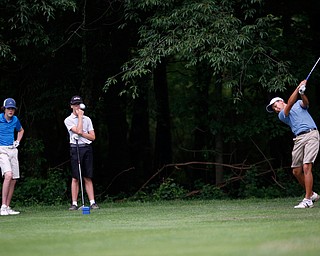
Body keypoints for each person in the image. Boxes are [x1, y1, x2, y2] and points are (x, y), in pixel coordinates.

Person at [266, 80, 320, 208]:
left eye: (275, 105)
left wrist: (302, 93)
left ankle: (307, 200)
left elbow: (306, 104)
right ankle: (311, 194)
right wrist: (298, 88)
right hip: (298, 139)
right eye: (273, 108)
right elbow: (289, 104)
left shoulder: (298, 104)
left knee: (307, 166)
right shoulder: (282, 115)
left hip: (311, 134)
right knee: (296, 171)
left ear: (281, 101)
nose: (275, 108)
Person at [64, 95, 99, 210]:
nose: (77, 106)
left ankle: (92, 202)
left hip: (86, 148)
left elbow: (93, 137)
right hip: (75, 147)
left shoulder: (87, 119)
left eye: (79, 104)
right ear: (71, 106)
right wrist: (80, 118)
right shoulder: (68, 120)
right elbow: (78, 130)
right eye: (75, 105)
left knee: (87, 176)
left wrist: (82, 133)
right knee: (75, 177)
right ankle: (74, 203)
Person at [0, 98, 24, 215]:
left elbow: (21, 130)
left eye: (12, 109)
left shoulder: (15, 119)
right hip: (1, 150)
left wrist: (18, 141)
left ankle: (8, 207)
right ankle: (3, 207)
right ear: (4, 109)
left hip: (13, 149)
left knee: (14, 179)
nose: (11, 110)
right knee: (8, 175)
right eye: (9, 108)